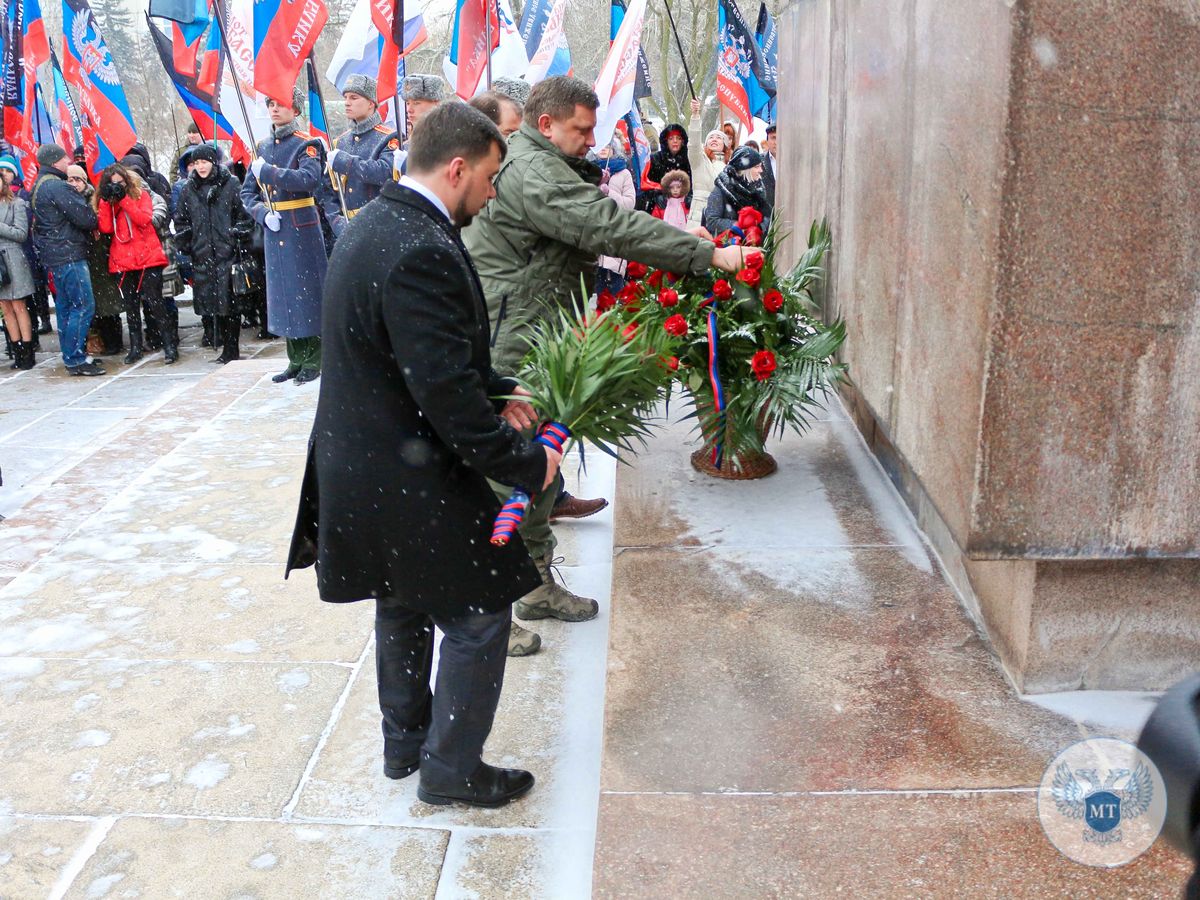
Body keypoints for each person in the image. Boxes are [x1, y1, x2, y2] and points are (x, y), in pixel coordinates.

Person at [286, 101, 561, 809]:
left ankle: (406, 745)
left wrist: (498, 385)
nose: (494, 193)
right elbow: (444, 395)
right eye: (492, 178)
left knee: (403, 602)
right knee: (480, 613)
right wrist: (528, 464)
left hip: (367, 462)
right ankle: (451, 769)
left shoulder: (377, 223)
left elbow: (410, 350)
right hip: (404, 469)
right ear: (459, 167)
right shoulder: (421, 247)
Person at [464, 76, 760, 657]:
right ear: (544, 124)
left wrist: (678, 232)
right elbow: (605, 227)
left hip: (543, 331)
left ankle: (536, 584)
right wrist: (709, 255)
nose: (589, 139)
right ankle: (486, 610)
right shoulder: (531, 169)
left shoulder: (543, 160)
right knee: (508, 477)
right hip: (515, 340)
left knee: (541, 467)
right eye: (580, 128)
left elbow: (603, 212)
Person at [241, 86, 328, 385]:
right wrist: (262, 214)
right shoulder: (262, 147)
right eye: (271, 104)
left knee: (307, 294)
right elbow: (247, 192)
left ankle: (314, 358)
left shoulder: (308, 144)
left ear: (296, 109)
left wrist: (270, 173)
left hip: (301, 226)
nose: (275, 109)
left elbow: (309, 179)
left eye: (281, 104)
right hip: (274, 227)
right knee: (285, 297)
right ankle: (295, 358)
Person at [174, 143, 254, 364]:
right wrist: (187, 241)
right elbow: (181, 218)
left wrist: (237, 234)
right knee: (211, 304)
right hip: (202, 254)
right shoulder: (189, 189)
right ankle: (218, 343)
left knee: (231, 305)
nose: (200, 167)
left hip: (228, 253)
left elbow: (244, 214)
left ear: (213, 162)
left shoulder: (231, 184)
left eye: (204, 162)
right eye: (197, 162)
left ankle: (231, 349)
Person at [30, 143, 104, 376]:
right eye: (64, 159)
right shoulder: (57, 187)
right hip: (69, 253)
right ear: (54, 162)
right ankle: (75, 358)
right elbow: (85, 219)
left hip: (56, 255)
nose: (68, 163)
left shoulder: (39, 185)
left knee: (65, 307)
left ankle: (72, 354)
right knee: (83, 305)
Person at [95, 162, 176, 365]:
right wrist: (106, 202)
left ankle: (169, 345)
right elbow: (105, 228)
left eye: (120, 183)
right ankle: (135, 347)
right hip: (123, 261)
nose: (117, 187)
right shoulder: (108, 202)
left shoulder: (141, 196)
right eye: (112, 184)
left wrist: (124, 200)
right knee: (131, 307)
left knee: (156, 303)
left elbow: (143, 219)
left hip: (147, 258)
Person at [321, 73, 400, 239]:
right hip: (347, 230)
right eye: (346, 97)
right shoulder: (340, 142)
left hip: (379, 227)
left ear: (371, 103)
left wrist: (346, 162)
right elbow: (328, 190)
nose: (347, 102)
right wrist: (336, 221)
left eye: (354, 97)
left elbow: (385, 174)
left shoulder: (389, 138)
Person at [70, 165, 123, 356]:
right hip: (83, 256)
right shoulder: (68, 201)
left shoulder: (96, 198)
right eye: (71, 180)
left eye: (78, 179)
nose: (75, 184)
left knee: (107, 302)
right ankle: (101, 340)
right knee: (93, 305)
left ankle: (114, 341)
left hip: (101, 255)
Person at [0, 163, 36, 369]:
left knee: (19, 305)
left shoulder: (18, 203)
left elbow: (21, 234)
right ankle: (16, 350)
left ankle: (28, 350)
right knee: (5, 307)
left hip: (13, 258)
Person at [594, 138, 635, 297]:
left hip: (616, 233)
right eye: (600, 146)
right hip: (595, 235)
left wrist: (609, 192)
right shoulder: (589, 171)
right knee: (596, 291)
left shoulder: (623, 173)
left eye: (608, 145)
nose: (603, 149)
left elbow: (630, 203)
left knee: (616, 289)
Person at [705, 145, 772, 235]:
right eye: (756, 166)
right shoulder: (722, 189)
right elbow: (711, 222)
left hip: (753, 245)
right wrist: (740, 226)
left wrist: (758, 228)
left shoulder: (759, 189)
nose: (761, 170)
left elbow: (767, 216)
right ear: (744, 169)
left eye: (760, 166)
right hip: (728, 246)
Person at [686, 99, 730, 229]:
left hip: (721, 217)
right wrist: (695, 116)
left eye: (719, 137)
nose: (714, 139)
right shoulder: (698, 160)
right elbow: (694, 142)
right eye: (711, 137)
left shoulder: (731, 167)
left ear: (725, 145)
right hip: (699, 216)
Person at [643, 121, 690, 211]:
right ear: (666, 141)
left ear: (683, 141)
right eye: (671, 138)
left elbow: (694, 183)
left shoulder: (689, 160)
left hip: (683, 207)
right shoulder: (655, 159)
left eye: (678, 138)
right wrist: (656, 195)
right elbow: (646, 183)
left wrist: (690, 195)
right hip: (660, 208)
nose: (675, 141)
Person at [762, 124, 777, 210]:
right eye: (773, 138)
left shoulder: (792, 163)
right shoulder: (759, 162)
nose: (776, 142)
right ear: (767, 141)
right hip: (765, 214)